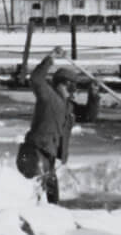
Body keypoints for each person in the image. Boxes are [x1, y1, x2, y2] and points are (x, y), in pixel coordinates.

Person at [20, 47, 98, 204]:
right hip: (35, 154)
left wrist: (93, 96)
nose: (72, 91)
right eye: (69, 86)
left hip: (49, 158)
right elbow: (36, 79)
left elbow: (89, 116)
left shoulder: (69, 107)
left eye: (74, 88)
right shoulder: (48, 96)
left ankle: (51, 219)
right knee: (38, 196)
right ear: (58, 85)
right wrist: (50, 59)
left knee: (51, 199)